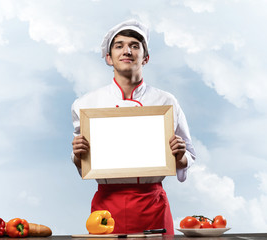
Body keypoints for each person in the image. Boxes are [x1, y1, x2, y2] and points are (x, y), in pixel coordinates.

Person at [71, 19, 196, 235]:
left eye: (134, 46)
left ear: (145, 58)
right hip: (107, 207)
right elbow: (83, 163)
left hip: (153, 204)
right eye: (119, 46)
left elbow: (189, 156)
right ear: (109, 58)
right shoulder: (86, 105)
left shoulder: (166, 101)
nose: (127, 51)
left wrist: (180, 154)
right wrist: (77, 154)